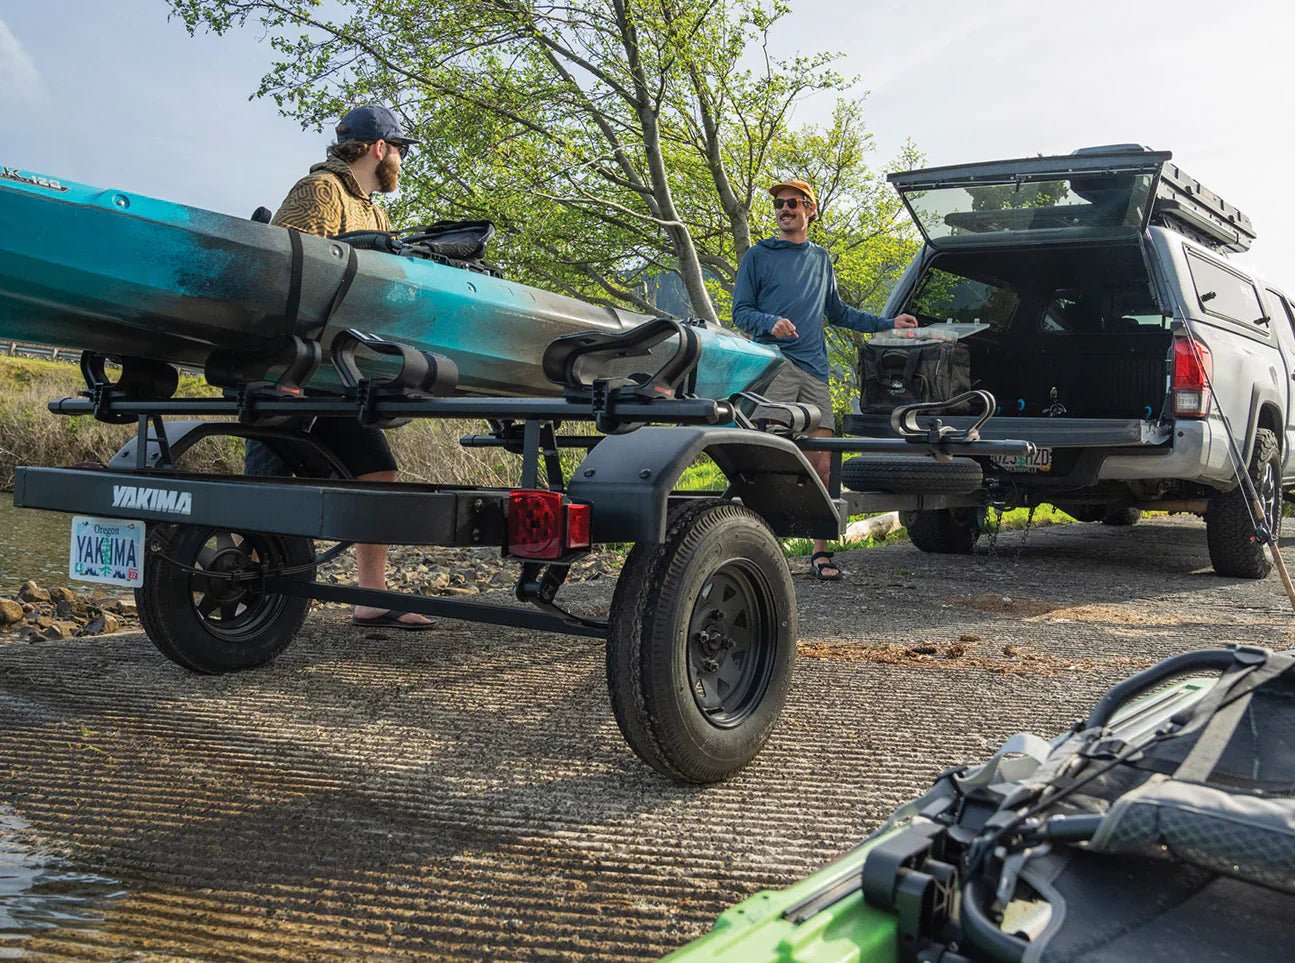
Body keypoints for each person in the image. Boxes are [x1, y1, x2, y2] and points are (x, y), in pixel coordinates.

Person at [249, 104, 433, 630]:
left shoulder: (374, 211)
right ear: (380, 149)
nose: (400, 159)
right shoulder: (320, 191)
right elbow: (284, 269)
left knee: (376, 469)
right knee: (264, 491)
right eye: (399, 148)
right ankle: (232, 584)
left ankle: (370, 597)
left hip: (339, 371)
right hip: (293, 369)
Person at [732, 178, 920, 581]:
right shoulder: (758, 256)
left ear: (810, 210)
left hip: (815, 371)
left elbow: (838, 312)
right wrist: (770, 322)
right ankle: (763, 552)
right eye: (780, 204)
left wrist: (888, 323)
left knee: (822, 462)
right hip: (775, 366)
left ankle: (820, 553)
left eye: (793, 203)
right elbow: (741, 312)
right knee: (772, 459)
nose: (784, 209)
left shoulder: (821, 259)